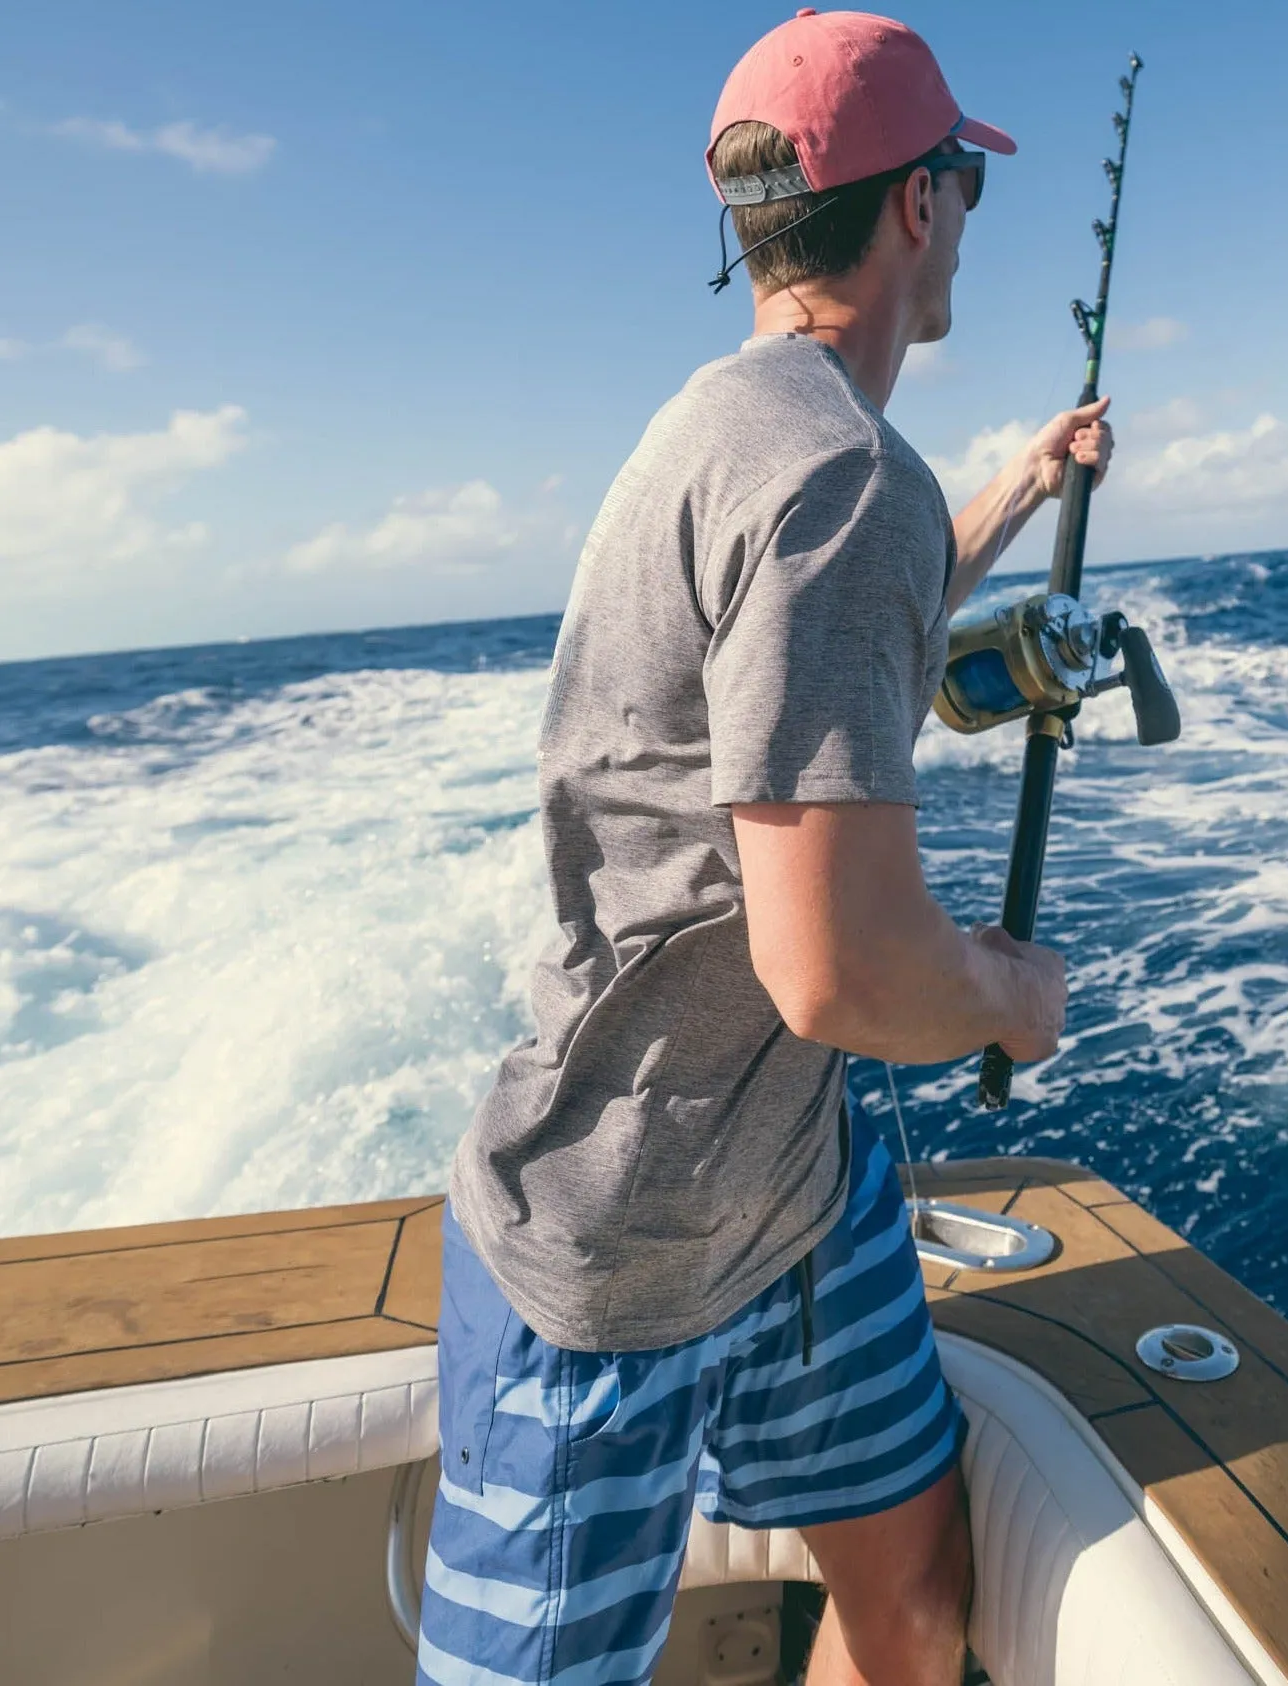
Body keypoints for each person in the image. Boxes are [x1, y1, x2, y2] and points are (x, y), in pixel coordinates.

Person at [420, 10, 1113, 1685]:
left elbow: (833, 631)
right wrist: (1013, 996)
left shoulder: (744, 431)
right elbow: (839, 969)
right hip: (621, 1237)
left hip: (797, 1192)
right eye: (961, 184)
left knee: (917, 1587)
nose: (960, 217)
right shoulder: (838, 477)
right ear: (918, 209)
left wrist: (1018, 485)